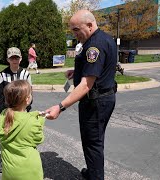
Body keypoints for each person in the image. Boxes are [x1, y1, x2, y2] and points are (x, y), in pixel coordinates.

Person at [45, 10, 117, 180]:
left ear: (90, 25)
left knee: (93, 143)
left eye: (76, 29)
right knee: (93, 140)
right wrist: (77, 71)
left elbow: (86, 85)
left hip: (96, 102)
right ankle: (93, 172)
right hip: (103, 98)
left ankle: (95, 177)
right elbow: (99, 68)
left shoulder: (94, 46)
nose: (74, 34)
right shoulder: (104, 38)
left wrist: (60, 107)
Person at [0, 80, 45, 180]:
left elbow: (20, 118)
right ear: (27, 99)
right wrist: (41, 120)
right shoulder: (32, 122)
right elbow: (39, 139)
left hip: (9, 171)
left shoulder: (3, 115)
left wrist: (35, 113)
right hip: (28, 171)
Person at [0, 47, 32, 173]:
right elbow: (0, 95)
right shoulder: (2, 74)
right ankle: (4, 160)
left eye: (16, 57)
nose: (14, 60)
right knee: (6, 136)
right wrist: (1, 112)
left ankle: (22, 159)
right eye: (12, 58)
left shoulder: (26, 74)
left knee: (22, 136)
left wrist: (26, 110)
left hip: (22, 111)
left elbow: (29, 94)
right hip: (8, 111)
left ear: (21, 58)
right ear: (8, 59)